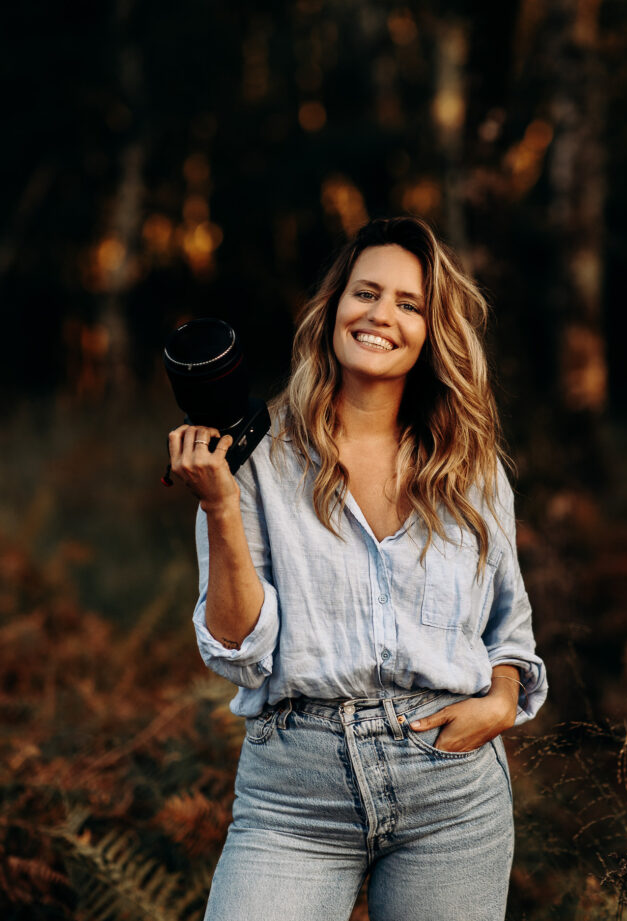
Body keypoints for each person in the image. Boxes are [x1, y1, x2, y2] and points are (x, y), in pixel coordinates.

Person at [168, 216, 547, 921]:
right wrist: (220, 505)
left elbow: (509, 627)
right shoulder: (256, 457)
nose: (380, 315)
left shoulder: (469, 468)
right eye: (364, 293)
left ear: (432, 331)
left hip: (451, 793)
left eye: (408, 304)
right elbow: (241, 650)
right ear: (332, 307)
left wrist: (500, 700)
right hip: (294, 793)